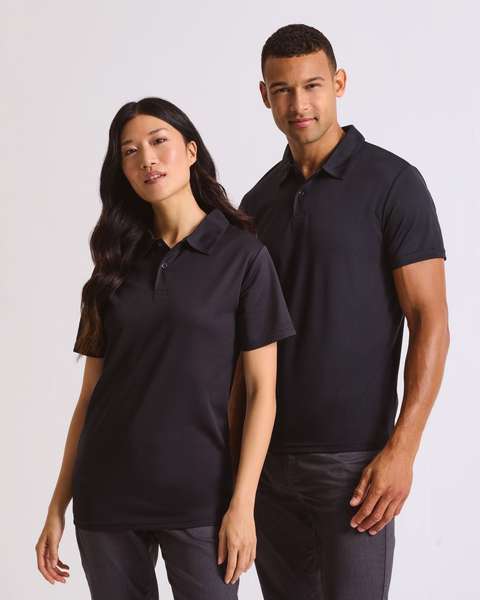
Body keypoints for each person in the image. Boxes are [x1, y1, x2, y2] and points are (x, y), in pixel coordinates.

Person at [34, 97, 296, 600]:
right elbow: (90, 397)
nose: (147, 159)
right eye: (130, 151)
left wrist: (243, 505)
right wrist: (56, 506)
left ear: (191, 151)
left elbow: (263, 392)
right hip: (107, 494)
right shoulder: (112, 265)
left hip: (201, 498)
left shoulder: (244, 256)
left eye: (159, 142)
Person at [231, 24, 450, 599]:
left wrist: (403, 448)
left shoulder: (393, 183)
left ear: (339, 84)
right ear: (264, 96)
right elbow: (243, 342)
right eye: (283, 89)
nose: (298, 104)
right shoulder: (258, 203)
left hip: (355, 465)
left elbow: (430, 320)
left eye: (312, 85)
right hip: (267, 463)